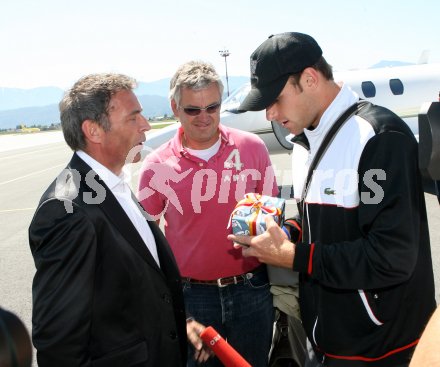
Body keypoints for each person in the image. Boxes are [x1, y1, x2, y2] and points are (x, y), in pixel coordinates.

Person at [228, 32, 436, 366]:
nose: (269, 114)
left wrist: (294, 256)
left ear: (309, 79)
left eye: (275, 99)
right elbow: (324, 222)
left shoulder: (378, 137)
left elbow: (391, 257)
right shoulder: (304, 139)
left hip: (380, 349)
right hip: (325, 340)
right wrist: (290, 231)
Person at [28, 73, 209, 367]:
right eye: (133, 117)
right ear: (94, 131)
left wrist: (180, 321)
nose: (146, 125)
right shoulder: (67, 210)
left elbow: (132, 284)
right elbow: (59, 343)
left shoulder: (112, 184)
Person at [138, 60, 278, 367]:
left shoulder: (253, 148)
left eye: (212, 107)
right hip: (192, 299)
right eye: (193, 110)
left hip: (252, 290)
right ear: (175, 108)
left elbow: (272, 213)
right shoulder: (157, 165)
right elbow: (145, 243)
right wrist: (179, 311)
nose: (204, 118)